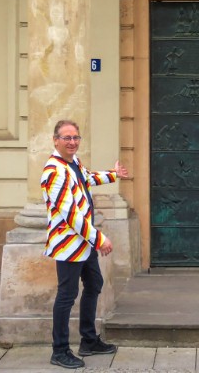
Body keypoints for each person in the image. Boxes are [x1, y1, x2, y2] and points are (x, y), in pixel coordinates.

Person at [41, 119, 133, 369]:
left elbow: (86, 178)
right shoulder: (54, 171)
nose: (72, 142)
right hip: (68, 244)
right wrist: (99, 238)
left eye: (75, 138)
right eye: (67, 138)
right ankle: (59, 350)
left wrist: (113, 175)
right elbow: (70, 214)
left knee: (94, 284)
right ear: (55, 140)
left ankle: (89, 340)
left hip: (83, 241)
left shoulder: (73, 163)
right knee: (67, 295)